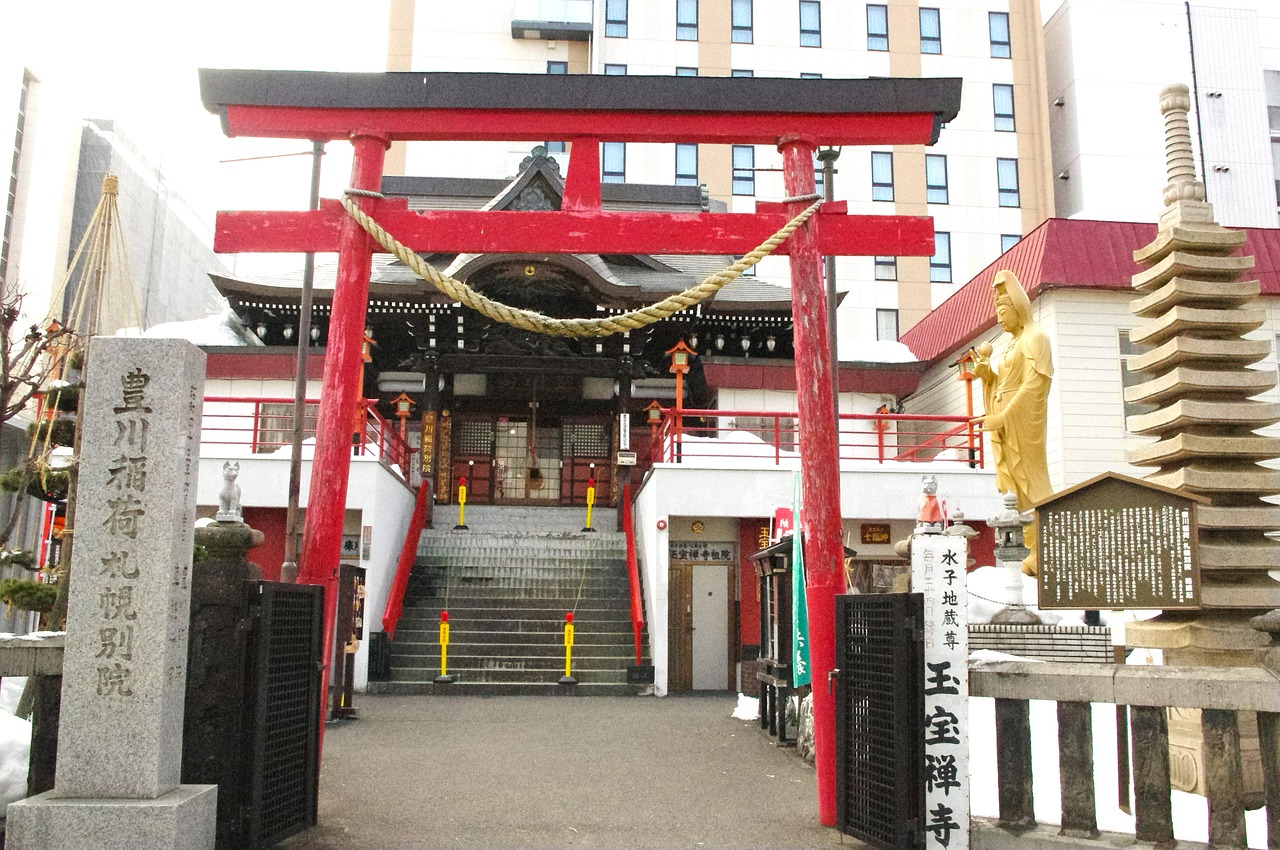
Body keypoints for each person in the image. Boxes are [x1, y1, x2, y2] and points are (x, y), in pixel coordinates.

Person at [971, 270, 1053, 576]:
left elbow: (1035, 384)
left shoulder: (1036, 338)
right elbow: (1005, 381)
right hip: (1005, 424)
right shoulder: (1012, 343)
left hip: (1023, 423)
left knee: (1032, 481)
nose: (1000, 319)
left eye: (1004, 311)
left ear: (1019, 308)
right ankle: (1032, 551)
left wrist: (1005, 415)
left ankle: (1043, 550)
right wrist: (988, 377)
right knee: (1014, 489)